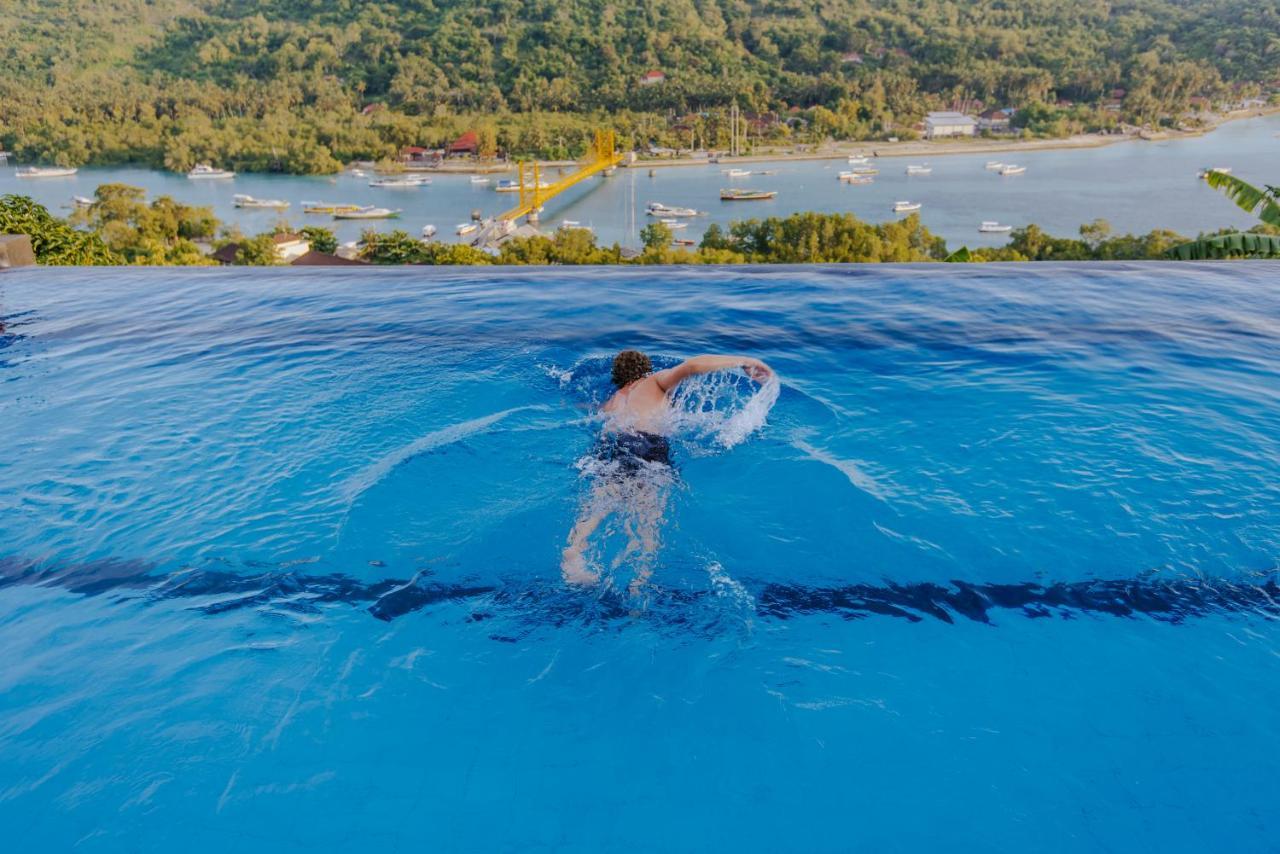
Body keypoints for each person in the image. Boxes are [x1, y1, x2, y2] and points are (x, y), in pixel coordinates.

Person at [561, 350, 773, 589]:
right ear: (645, 370)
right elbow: (692, 366)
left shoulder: (612, 402)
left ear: (617, 377)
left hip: (612, 448)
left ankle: (574, 552)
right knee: (647, 523)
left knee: (597, 504)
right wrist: (744, 361)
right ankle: (638, 582)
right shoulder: (654, 382)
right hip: (647, 447)